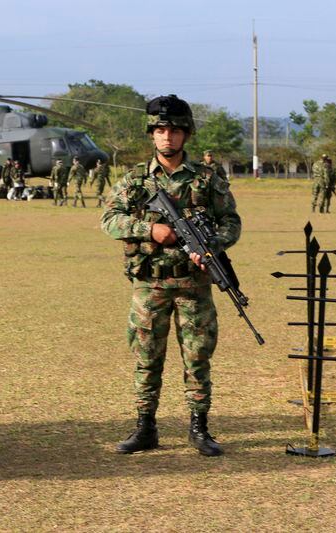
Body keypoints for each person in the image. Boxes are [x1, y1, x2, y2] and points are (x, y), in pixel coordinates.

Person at [101, 94, 241, 457]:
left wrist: (212, 243)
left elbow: (231, 221)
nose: (168, 137)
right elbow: (110, 220)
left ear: (186, 135)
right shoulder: (134, 180)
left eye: (175, 130)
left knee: (197, 357)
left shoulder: (207, 179)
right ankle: (145, 427)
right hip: (150, 284)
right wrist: (151, 231)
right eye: (161, 129)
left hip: (194, 285)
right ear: (151, 134)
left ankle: (199, 427)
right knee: (147, 357)